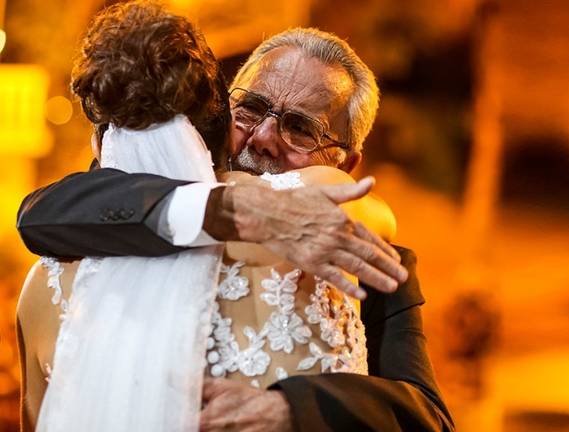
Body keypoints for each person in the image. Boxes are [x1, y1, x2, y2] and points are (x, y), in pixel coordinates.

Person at [16, 8, 453, 432]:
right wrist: (233, 211)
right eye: (250, 109)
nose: (263, 138)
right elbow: (40, 214)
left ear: (347, 164)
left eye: (301, 128)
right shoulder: (106, 214)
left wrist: (291, 409)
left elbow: (426, 419)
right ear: (223, 110)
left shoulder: (365, 251)